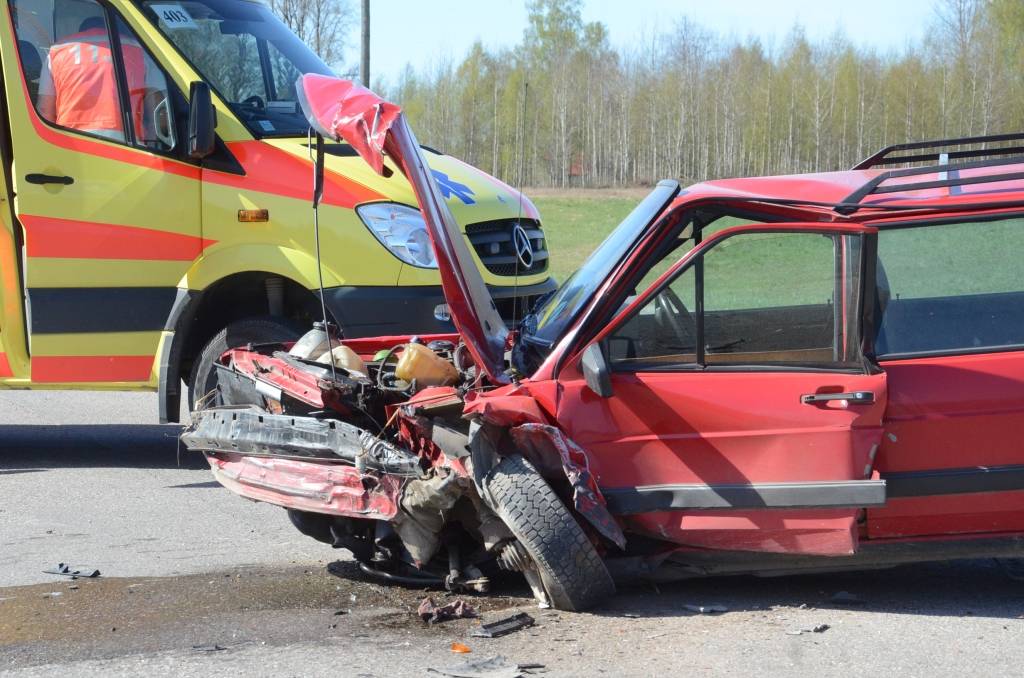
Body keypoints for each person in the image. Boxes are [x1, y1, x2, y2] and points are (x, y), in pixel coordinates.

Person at [37, 16, 145, 142]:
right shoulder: (138, 49)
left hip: (73, 143)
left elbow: (45, 110)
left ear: (82, 32)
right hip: (129, 144)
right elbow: (157, 106)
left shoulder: (57, 51)